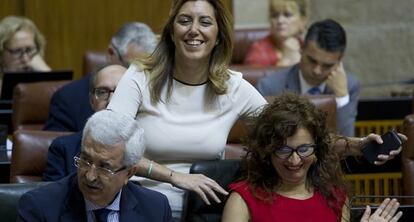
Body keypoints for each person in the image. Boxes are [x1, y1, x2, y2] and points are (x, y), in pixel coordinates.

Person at [106, 0, 402, 220]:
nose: (194, 30)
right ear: (171, 31)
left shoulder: (232, 87)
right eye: (185, 20)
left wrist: (357, 146)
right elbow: (109, 144)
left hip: (205, 210)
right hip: (139, 205)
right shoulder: (139, 76)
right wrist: (174, 177)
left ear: (219, 35)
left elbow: (290, 133)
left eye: (205, 22)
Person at [221, 93, 402, 222]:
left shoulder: (335, 198)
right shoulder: (243, 200)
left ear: (316, 151)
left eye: (304, 149)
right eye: (283, 150)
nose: (294, 160)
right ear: (267, 151)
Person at [18, 110, 172, 221]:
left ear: (129, 173)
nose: (90, 176)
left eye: (104, 167)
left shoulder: (156, 209)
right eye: (85, 160)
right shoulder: (39, 207)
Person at [43, 22, 157, 132]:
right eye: (131, 67)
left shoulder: (158, 94)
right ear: (111, 54)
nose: (139, 76)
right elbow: (58, 147)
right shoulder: (68, 99)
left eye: (147, 69)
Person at [256, 19, 359, 136]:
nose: (317, 70)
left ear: (339, 62)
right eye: (312, 60)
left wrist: (342, 97)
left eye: (327, 65)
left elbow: (347, 143)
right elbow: (261, 141)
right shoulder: (270, 87)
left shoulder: (349, 86)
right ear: (301, 50)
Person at [43, 64, 127, 181]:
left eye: (121, 92)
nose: (111, 101)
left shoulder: (153, 148)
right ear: (92, 101)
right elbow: (52, 197)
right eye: (102, 92)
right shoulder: (64, 149)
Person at [244, 0, 307, 67]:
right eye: (274, 15)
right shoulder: (258, 51)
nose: (280, 20)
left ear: (302, 21)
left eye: (287, 15)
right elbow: (255, 77)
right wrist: (286, 60)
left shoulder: (306, 46)